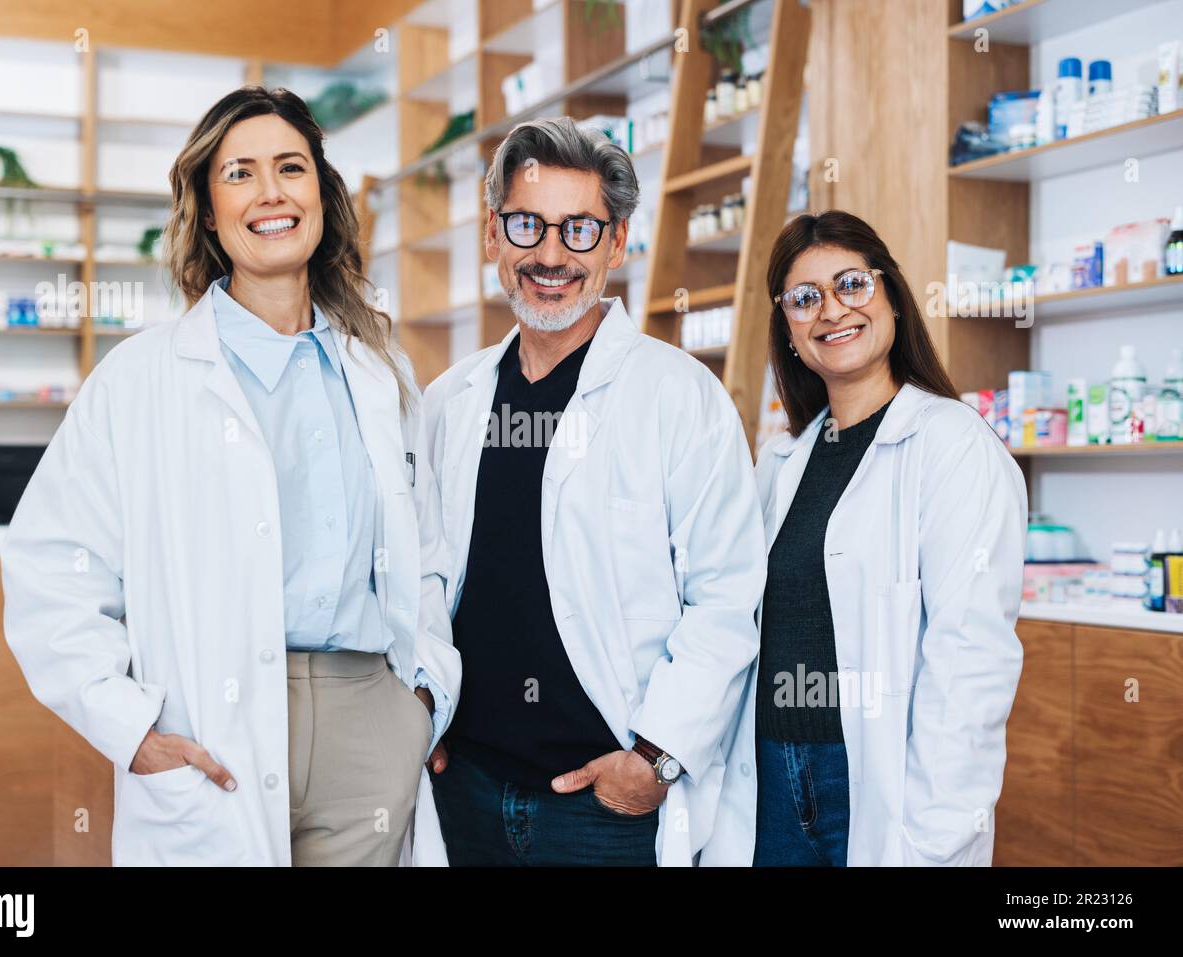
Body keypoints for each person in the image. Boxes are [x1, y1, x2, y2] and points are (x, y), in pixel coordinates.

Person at [0, 86, 459, 866]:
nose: (271, 193)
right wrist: (133, 731)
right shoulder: (141, 380)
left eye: (291, 167)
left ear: (321, 192)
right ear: (209, 211)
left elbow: (429, 555)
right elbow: (49, 569)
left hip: (367, 724)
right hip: (215, 727)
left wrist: (421, 699)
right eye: (240, 174)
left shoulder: (381, 371)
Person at [422, 116, 767, 866]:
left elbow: (728, 597)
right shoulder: (450, 401)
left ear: (616, 242)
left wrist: (656, 759)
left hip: (603, 808)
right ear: (492, 235)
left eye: (579, 229)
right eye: (527, 225)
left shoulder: (680, 397)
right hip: (465, 788)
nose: (550, 254)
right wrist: (424, 711)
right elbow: (419, 581)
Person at [703, 210, 1026, 866]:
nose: (832, 309)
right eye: (805, 297)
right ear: (788, 330)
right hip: (764, 776)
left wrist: (936, 833)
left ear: (892, 299)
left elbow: (970, 660)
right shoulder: (781, 459)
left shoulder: (952, 445)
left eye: (852, 283)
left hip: (875, 782)